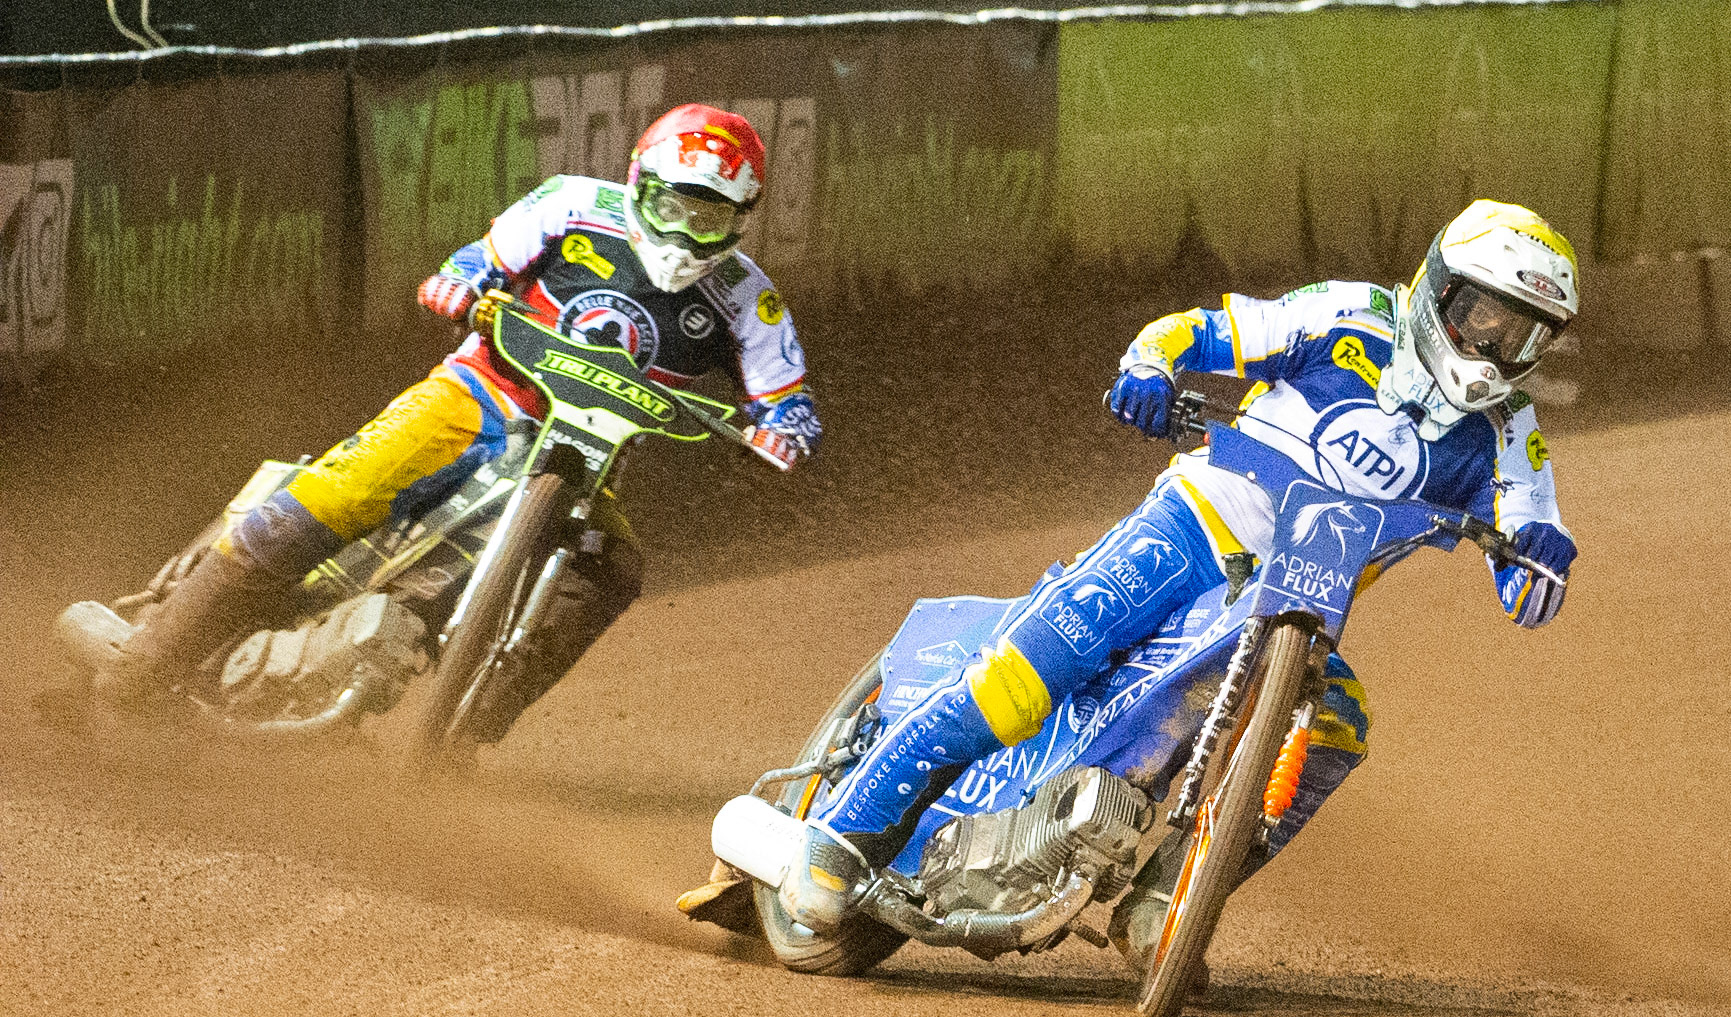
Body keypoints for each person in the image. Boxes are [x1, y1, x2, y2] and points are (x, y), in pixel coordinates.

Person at [777, 200, 1580, 954]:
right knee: (1033, 670)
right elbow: (1199, 330)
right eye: (1483, 317)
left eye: (1523, 335)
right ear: (1438, 288)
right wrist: (1151, 366)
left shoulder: (1509, 428)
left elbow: (1533, 519)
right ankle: (846, 827)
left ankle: (1169, 897)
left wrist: (1535, 564)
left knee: (1340, 720)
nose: (1494, 348)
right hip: (1196, 525)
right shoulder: (1348, 313)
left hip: (1302, 601)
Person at [92, 104, 819, 741]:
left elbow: (788, 396)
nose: (687, 231)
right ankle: (144, 667)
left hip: (588, 462)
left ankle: (466, 730)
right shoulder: (570, 205)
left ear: (741, 216)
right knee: (339, 491)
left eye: (710, 216)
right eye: (674, 206)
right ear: (640, 187)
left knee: (612, 571)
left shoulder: (747, 298)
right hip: (477, 399)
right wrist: (460, 283)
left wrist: (784, 429)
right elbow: (478, 260)